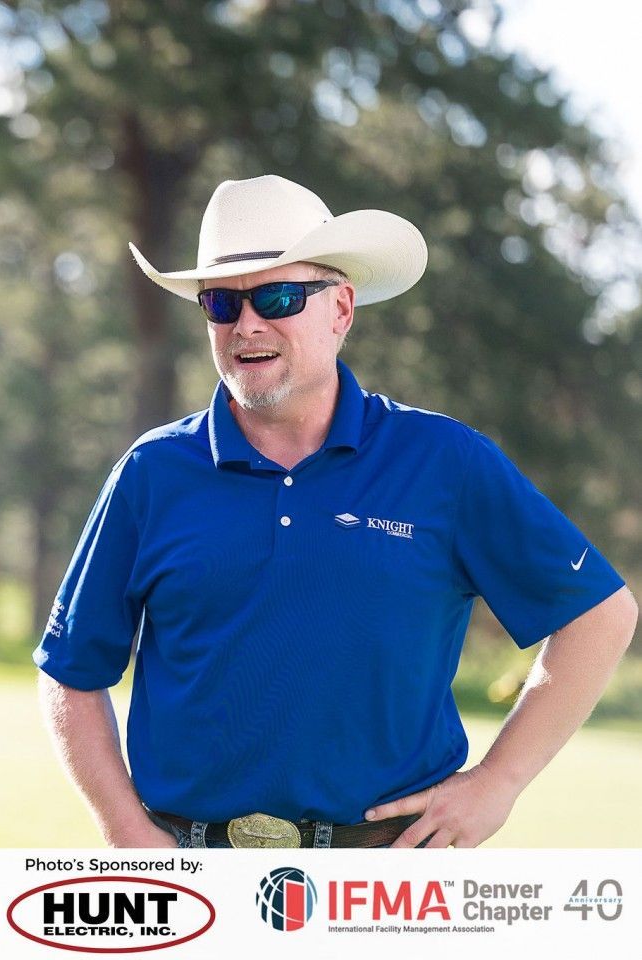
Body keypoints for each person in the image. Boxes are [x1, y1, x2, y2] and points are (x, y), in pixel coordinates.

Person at [35, 174, 636, 850]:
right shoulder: (151, 473)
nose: (247, 324)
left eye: (278, 297)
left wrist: (500, 780)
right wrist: (122, 828)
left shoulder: (443, 461)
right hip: (188, 870)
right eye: (221, 303)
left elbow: (599, 613)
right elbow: (69, 672)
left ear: (341, 309)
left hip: (390, 879)